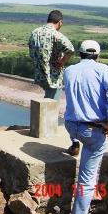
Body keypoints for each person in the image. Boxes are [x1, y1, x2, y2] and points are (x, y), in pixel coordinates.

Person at [63, 40, 108, 214]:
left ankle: (73, 143)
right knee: (86, 180)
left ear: (80, 54)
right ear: (97, 55)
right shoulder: (103, 70)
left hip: (71, 125)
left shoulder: (69, 70)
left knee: (78, 135)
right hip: (92, 130)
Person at [28, 10, 77, 154]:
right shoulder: (56, 34)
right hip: (53, 75)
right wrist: (62, 62)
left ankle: (40, 128)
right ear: (60, 22)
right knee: (52, 102)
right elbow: (71, 49)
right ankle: (47, 132)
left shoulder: (35, 32)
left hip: (39, 73)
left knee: (46, 99)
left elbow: (31, 51)